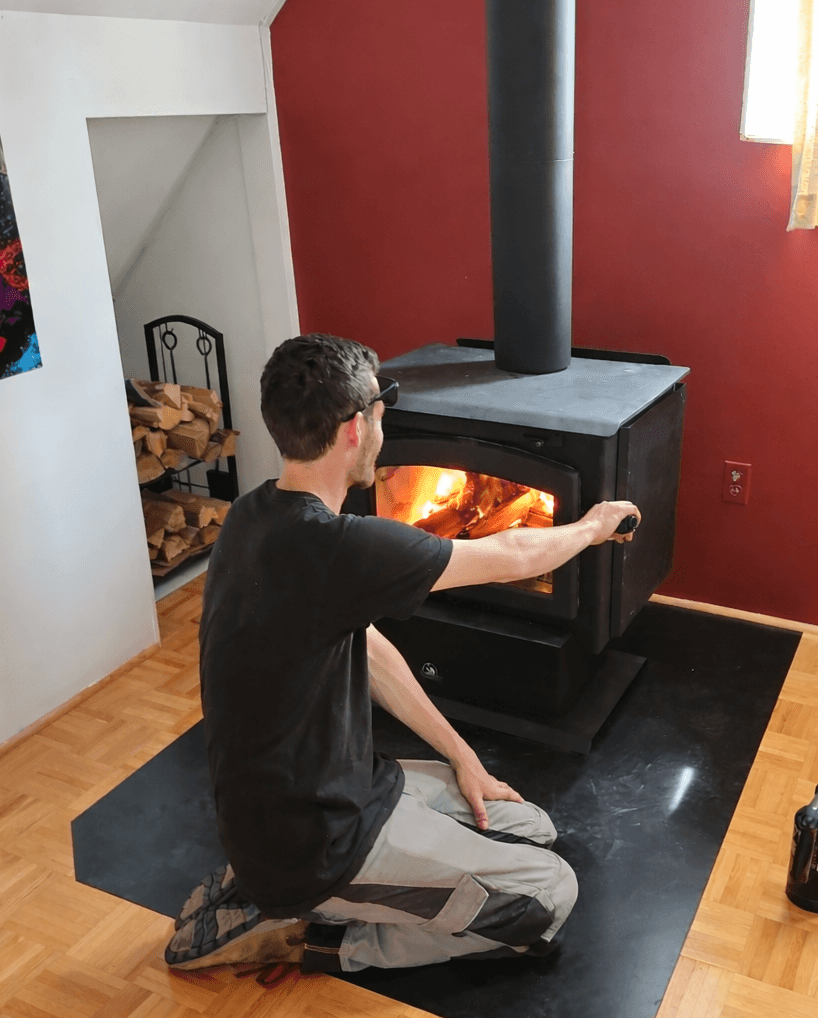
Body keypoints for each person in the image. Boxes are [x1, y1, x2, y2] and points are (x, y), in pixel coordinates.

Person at [165, 333, 640, 975]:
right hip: (322, 844)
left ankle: (281, 889)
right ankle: (317, 936)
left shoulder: (254, 517)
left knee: (531, 828)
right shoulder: (339, 548)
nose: (385, 423)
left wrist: (463, 758)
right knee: (549, 893)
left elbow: (368, 646)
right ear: (355, 429)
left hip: (327, 792)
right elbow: (509, 556)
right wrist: (592, 526)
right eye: (381, 408)